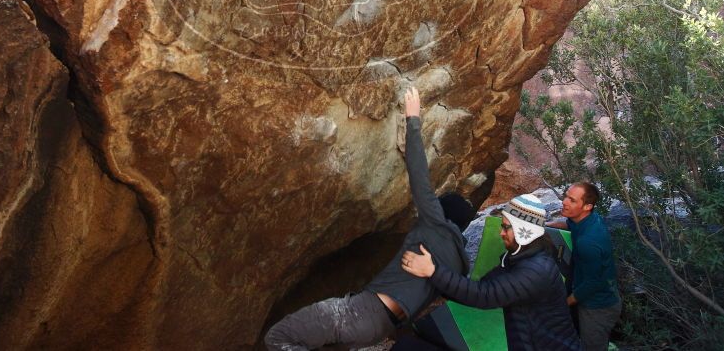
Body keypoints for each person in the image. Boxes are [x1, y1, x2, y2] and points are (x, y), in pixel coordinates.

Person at [264, 87, 474, 350]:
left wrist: (413, 119)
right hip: (379, 328)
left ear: (444, 213)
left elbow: (420, 176)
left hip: (359, 312)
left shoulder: (436, 226)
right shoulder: (456, 266)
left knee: (279, 336)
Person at [400, 193, 581, 351]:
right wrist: (434, 277)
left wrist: (433, 271)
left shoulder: (535, 270)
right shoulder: (521, 257)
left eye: (506, 227)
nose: (501, 233)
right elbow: (480, 288)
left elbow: (484, 295)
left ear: (524, 230)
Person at [549, 182, 620, 351]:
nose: (565, 202)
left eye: (572, 200)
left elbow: (592, 284)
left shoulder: (588, 242)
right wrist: (551, 226)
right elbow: (571, 225)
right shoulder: (588, 219)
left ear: (587, 206)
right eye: (566, 196)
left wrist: (564, 303)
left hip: (598, 307)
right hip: (594, 295)